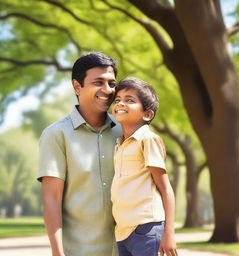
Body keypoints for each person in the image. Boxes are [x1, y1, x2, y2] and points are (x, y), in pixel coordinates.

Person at [37, 51, 122, 256]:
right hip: (79, 251)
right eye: (98, 82)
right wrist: (58, 253)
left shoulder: (125, 131)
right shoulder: (56, 134)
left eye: (111, 83)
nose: (107, 90)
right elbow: (52, 199)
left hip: (125, 250)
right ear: (77, 86)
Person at [111, 77, 178, 256]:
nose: (120, 104)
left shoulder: (147, 139)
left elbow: (166, 189)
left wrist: (169, 234)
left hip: (147, 228)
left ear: (147, 114)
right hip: (123, 232)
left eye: (129, 100)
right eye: (117, 100)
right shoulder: (120, 144)